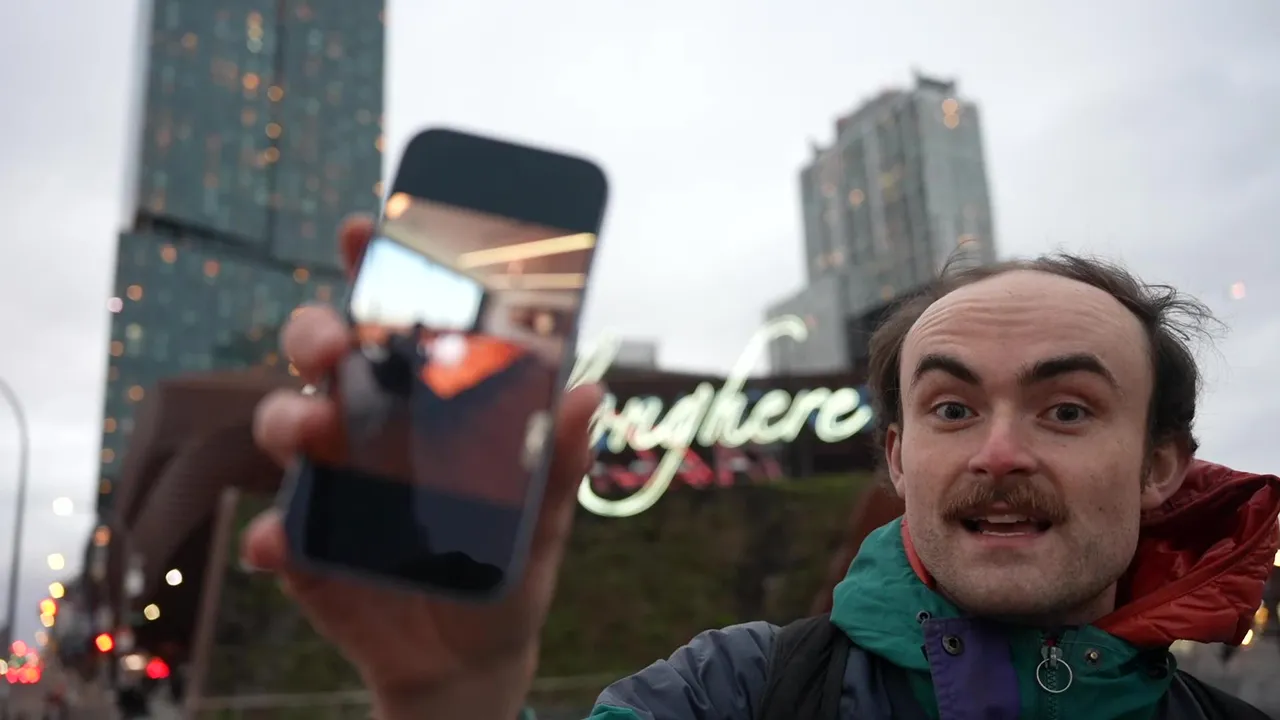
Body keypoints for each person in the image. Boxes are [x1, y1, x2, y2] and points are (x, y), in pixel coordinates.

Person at [244, 215, 1280, 719]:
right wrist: (454, 699)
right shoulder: (732, 694)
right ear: (897, 457)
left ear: (1159, 466)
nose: (998, 451)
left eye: (1066, 410)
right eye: (951, 408)